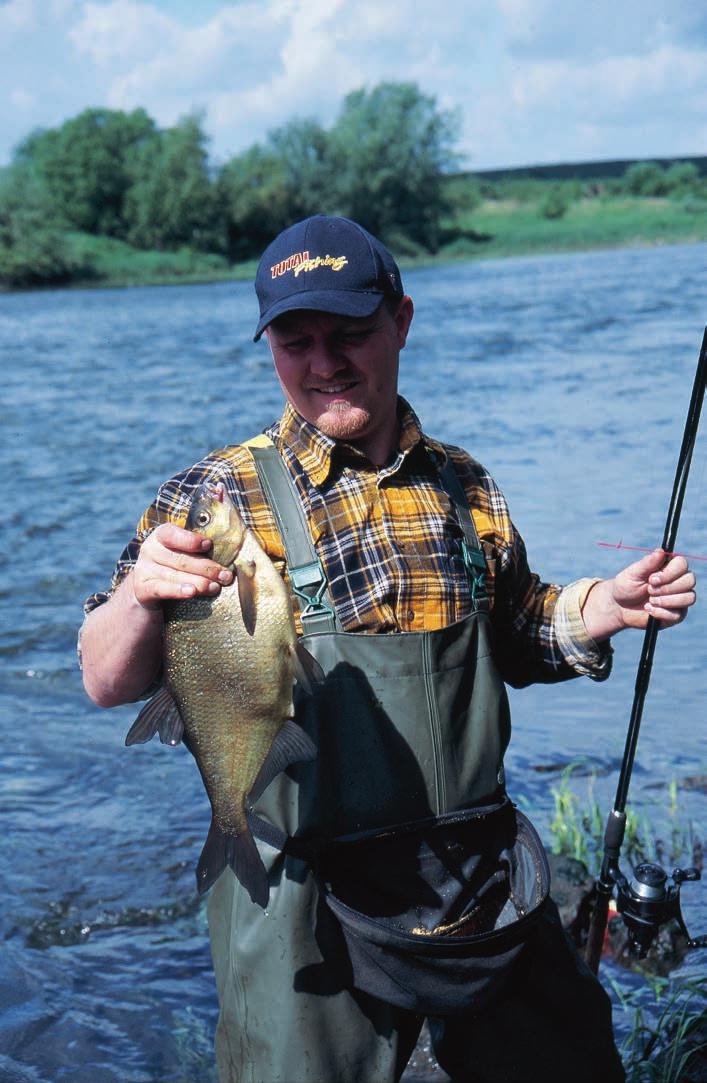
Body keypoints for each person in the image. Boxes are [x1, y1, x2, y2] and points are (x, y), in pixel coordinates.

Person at [80, 215, 696, 1083]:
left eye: (350, 334)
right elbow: (106, 678)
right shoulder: (212, 494)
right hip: (299, 895)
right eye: (296, 341)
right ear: (269, 347)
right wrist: (143, 592)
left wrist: (602, 607)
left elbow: (517, 627)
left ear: (401, 321)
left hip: (476, 878)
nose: (323, 361)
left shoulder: (463, 484)